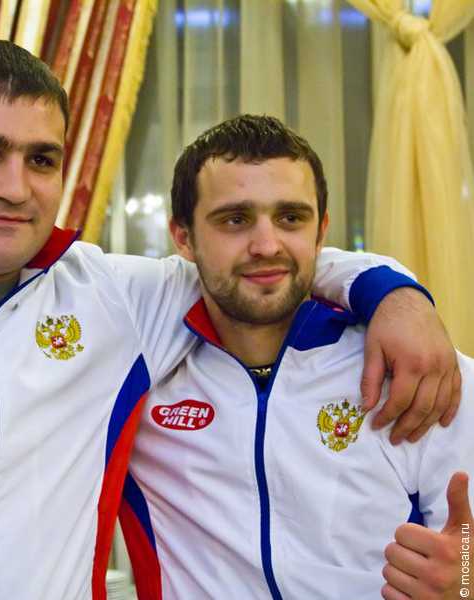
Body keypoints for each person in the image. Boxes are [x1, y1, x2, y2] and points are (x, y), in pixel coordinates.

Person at [0, 40, 457, 600]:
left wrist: (395, 293)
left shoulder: (115, 300)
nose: (15, 187)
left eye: (42, 160)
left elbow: (258, 264)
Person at [119, 115, 473, 600]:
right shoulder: (140, 367)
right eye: (235, 220)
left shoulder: (418, 369)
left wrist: (467, 582)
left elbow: (465, 550)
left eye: (290, 218)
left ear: (321, 231)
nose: (267, 246)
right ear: (183, 236)